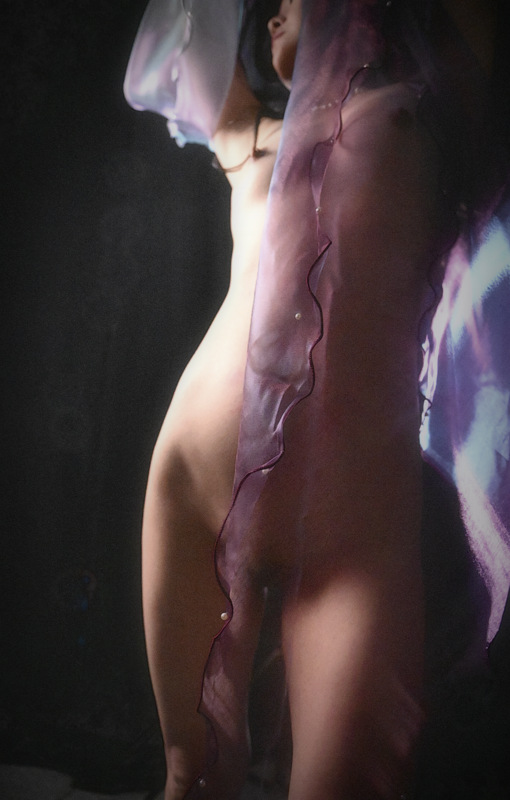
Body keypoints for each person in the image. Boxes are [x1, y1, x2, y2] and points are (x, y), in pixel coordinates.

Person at [124, 1, 510, 798]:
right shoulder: (250, 141)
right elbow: (177, 35)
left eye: (288, 1)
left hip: (352, 529)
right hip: (194, 478)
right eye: (266, 7)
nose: (272, 14)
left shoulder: (430, 113)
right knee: (190, 775)